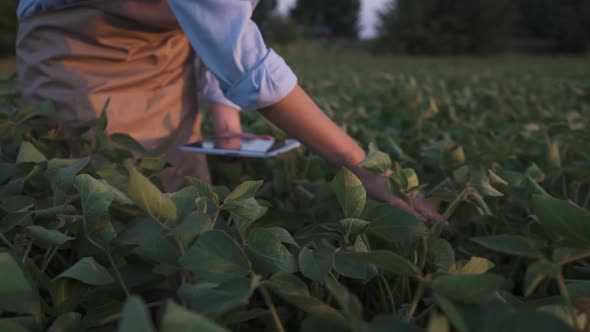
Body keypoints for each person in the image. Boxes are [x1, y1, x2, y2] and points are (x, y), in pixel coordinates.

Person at [15, 0, 440, 221]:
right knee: (106, 209)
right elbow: (245, 62)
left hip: (165, 49)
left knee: (185, 209)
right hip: (81, 50)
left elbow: (220, 23)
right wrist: (362, 168)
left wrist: (224, 115)